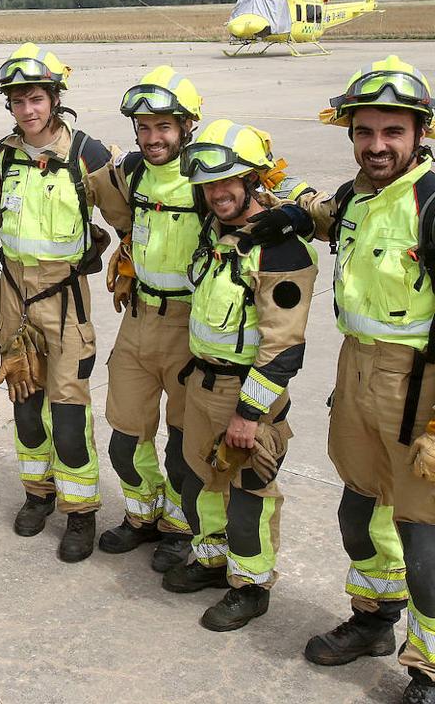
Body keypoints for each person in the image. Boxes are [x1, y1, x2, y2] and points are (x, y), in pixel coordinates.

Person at [289, 56, 435, 704]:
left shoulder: (431, 204)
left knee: (425, 544)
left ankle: (428, 669)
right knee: (357, 514)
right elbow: (327, 215)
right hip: (356, 372)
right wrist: (281, 206)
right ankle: (375, 621)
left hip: (419, 387)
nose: (377, 145)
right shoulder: (356, 195)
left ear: (419, 134)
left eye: (392, 132)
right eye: (365, 132)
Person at [161, 120, 316, 633]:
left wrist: (250, 415)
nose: (218, 193)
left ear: (253, 180)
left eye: (229, 182)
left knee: (249, 491)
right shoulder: (214, 231)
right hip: (202, 381)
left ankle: (250, 587)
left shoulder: (281, 249)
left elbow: (284, 346)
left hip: (246, 391)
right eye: (208, 184)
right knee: (203, 480)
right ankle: (211, 561)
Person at [0, 43, 128, 561]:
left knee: (68, 414)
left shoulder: (87, 155)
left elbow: (123, 219)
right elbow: (2, 217)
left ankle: (80, 512)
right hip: (14, 295)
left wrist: (117, 257)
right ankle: (37, 493)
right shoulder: (4, 153)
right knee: (24, 401)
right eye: (18, 100)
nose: (28, 110)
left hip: (64, 300)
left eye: (36, 98)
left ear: (55, 99)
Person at [98, 67, 206, 571]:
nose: (152, 137)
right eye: (143, 127)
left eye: (163, 126)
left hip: (191, 328)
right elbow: (91, 189)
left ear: (188, 126)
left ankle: (182, 527)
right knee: (125, 437)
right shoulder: (132, 173)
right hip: (139, 318)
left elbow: (265, 192)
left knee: (184, 447)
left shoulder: (209, 177)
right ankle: (143, 515)